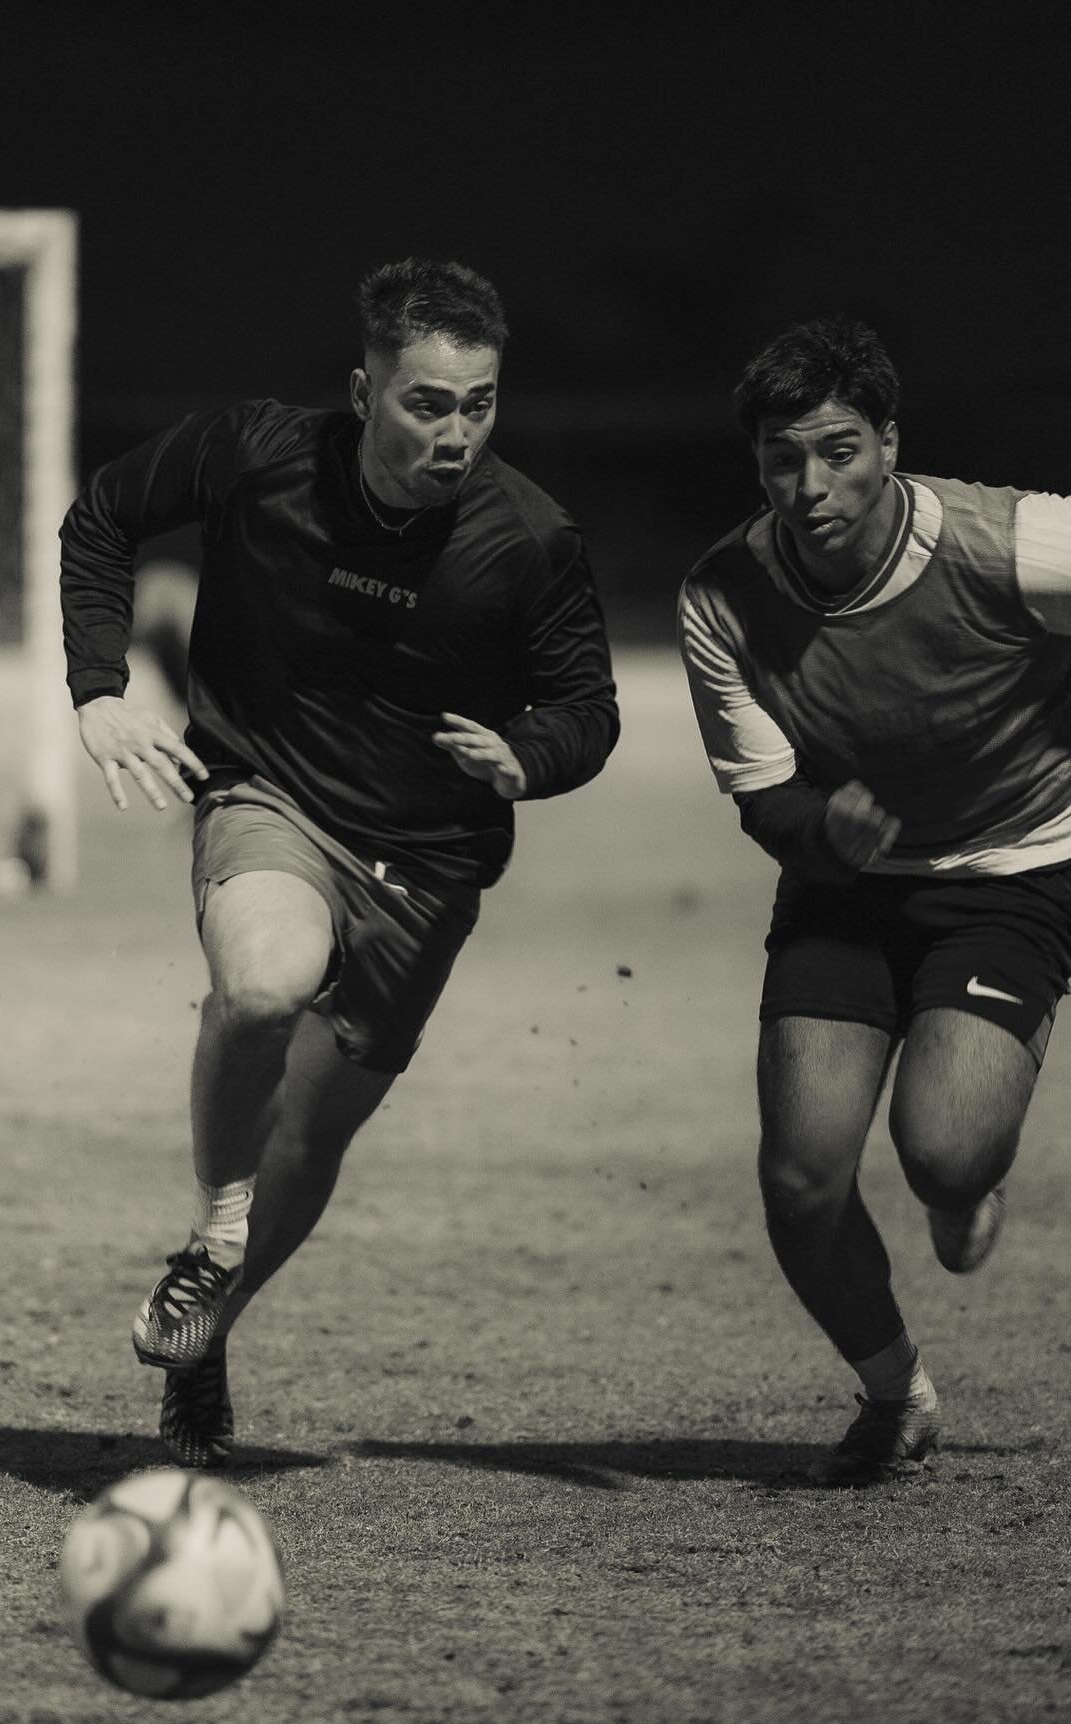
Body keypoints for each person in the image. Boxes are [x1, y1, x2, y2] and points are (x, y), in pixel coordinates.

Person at [62, 257, 619, 1467]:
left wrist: (530, 755)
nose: (455, 433)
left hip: (426, 863)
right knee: (263, 983)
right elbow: (103, 514)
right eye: (426, 402)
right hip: (270, 795)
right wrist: (99, 692)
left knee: (310, 1140)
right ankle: (213, 1238)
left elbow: (588, 708)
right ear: (362, 392)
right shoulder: (257, 453)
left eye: (478, 404)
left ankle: (209, 1332)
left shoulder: (530, 540)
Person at [678, 316, 1071, 1486]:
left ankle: (972, 1171)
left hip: (1014, 871)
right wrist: (824, 827)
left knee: (945, 1157)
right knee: (801, 1178)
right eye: (783, 459)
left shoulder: (1020, 545)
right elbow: (761, 798)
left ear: (889, 442)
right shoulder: (725, 596)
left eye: (839, 451)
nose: (812, 486)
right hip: (844, 891)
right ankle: (896, 1390)